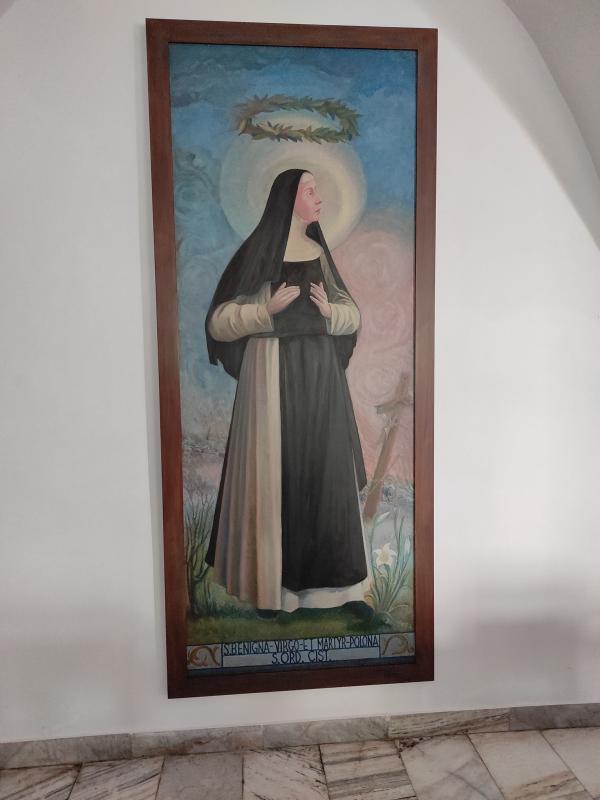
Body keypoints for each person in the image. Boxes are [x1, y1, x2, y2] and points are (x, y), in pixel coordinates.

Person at [205, 168, 369, 612]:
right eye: (310, 191)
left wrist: (331, 311)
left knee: (326, 475)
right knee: (278, 475)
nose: (319, 198)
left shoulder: (318, 254)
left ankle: (338, 592)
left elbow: (352, 315)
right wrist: (264, 309)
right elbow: (219, 322)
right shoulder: (259, 252)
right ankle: (273, 593)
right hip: (272, 375)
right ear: (287, 199)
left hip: (321, 379)